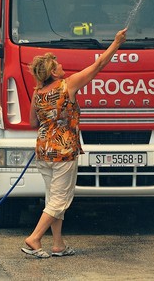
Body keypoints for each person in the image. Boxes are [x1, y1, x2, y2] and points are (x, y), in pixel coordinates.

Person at [22, 27, 127, 259]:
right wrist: (116, 43)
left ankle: (58, 244)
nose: (62, 66)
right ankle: (35, 238)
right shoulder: (67, 85)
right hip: (63, 151)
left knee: (53, 198)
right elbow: (98, 66)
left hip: (43, 150)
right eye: (58, 65)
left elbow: (32, 122)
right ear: (53, 72)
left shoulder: (38, 93)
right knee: (60, 199)